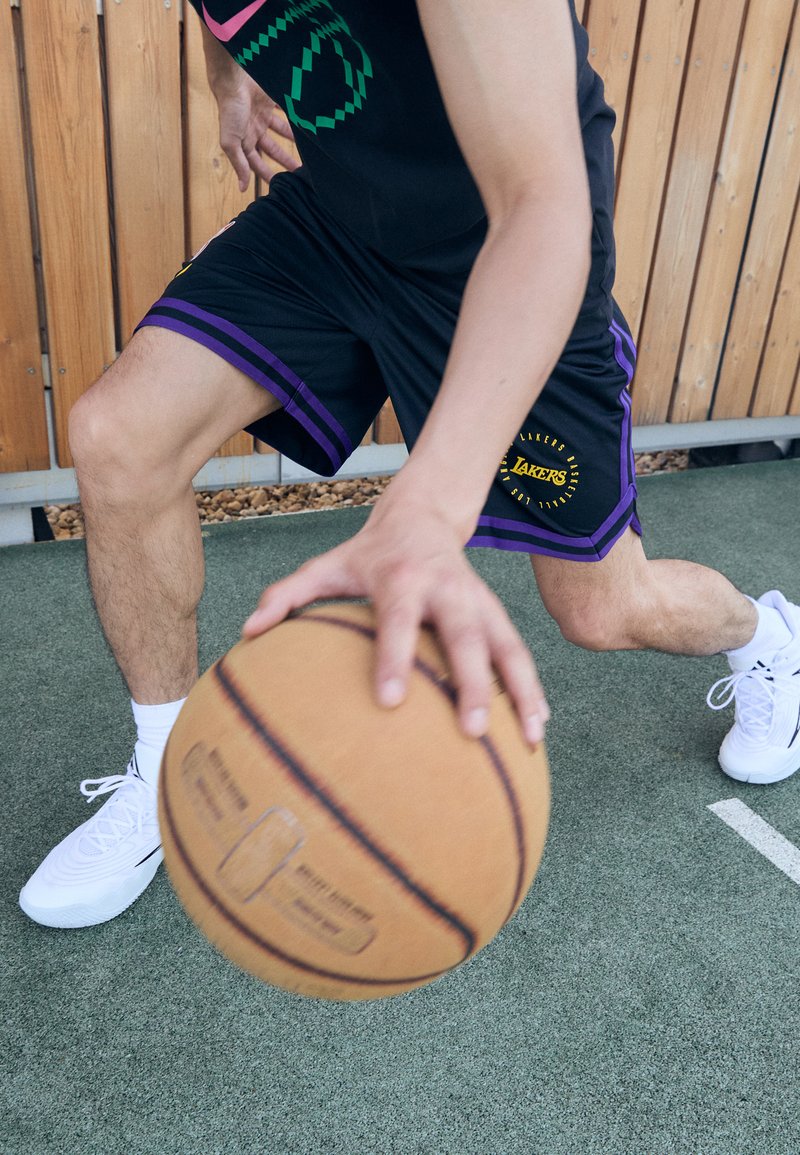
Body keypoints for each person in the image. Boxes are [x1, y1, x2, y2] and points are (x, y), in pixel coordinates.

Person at [19, 0, 800, 929]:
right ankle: (166, 768)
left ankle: (769, 637)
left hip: (498, 250)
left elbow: (544, 206)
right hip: (339, 222)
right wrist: (229, 82)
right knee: (119, 435)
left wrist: (428, 512)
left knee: (601, 609)